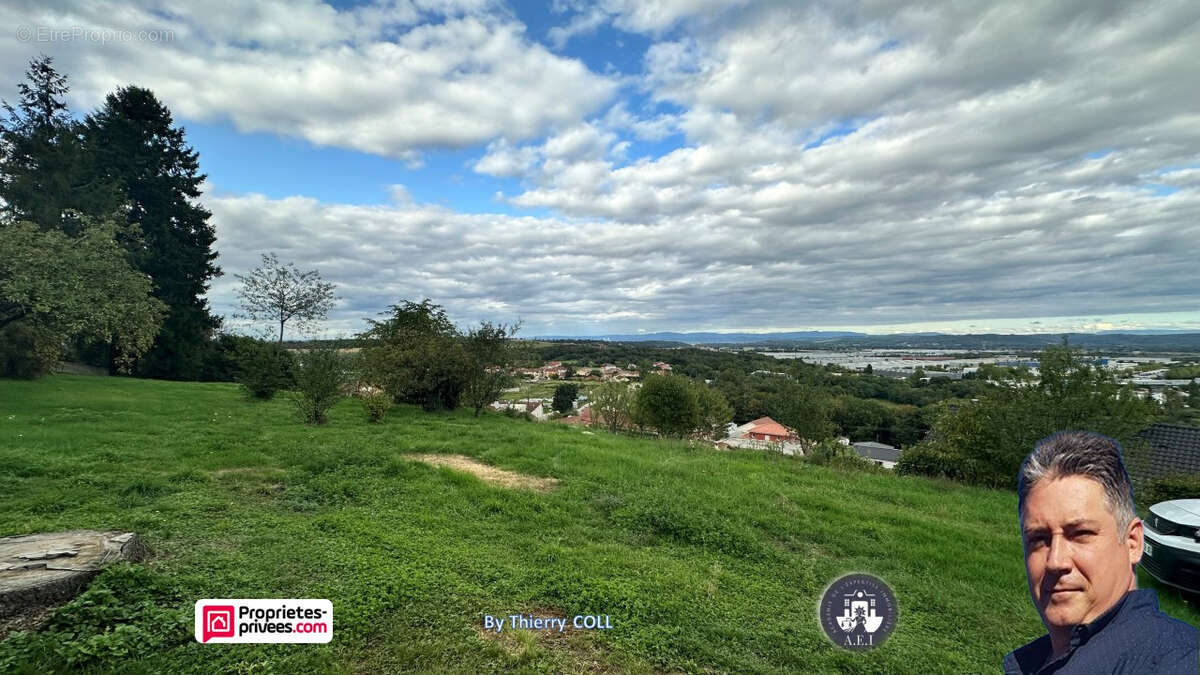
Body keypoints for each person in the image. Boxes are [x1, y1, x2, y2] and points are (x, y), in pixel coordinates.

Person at [1004, 431, 1198, 674]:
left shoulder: (1178, 661)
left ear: (1133, 543)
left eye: (1080, 534)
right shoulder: (1039, 661)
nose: (1055, 561)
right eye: (1039, 539)